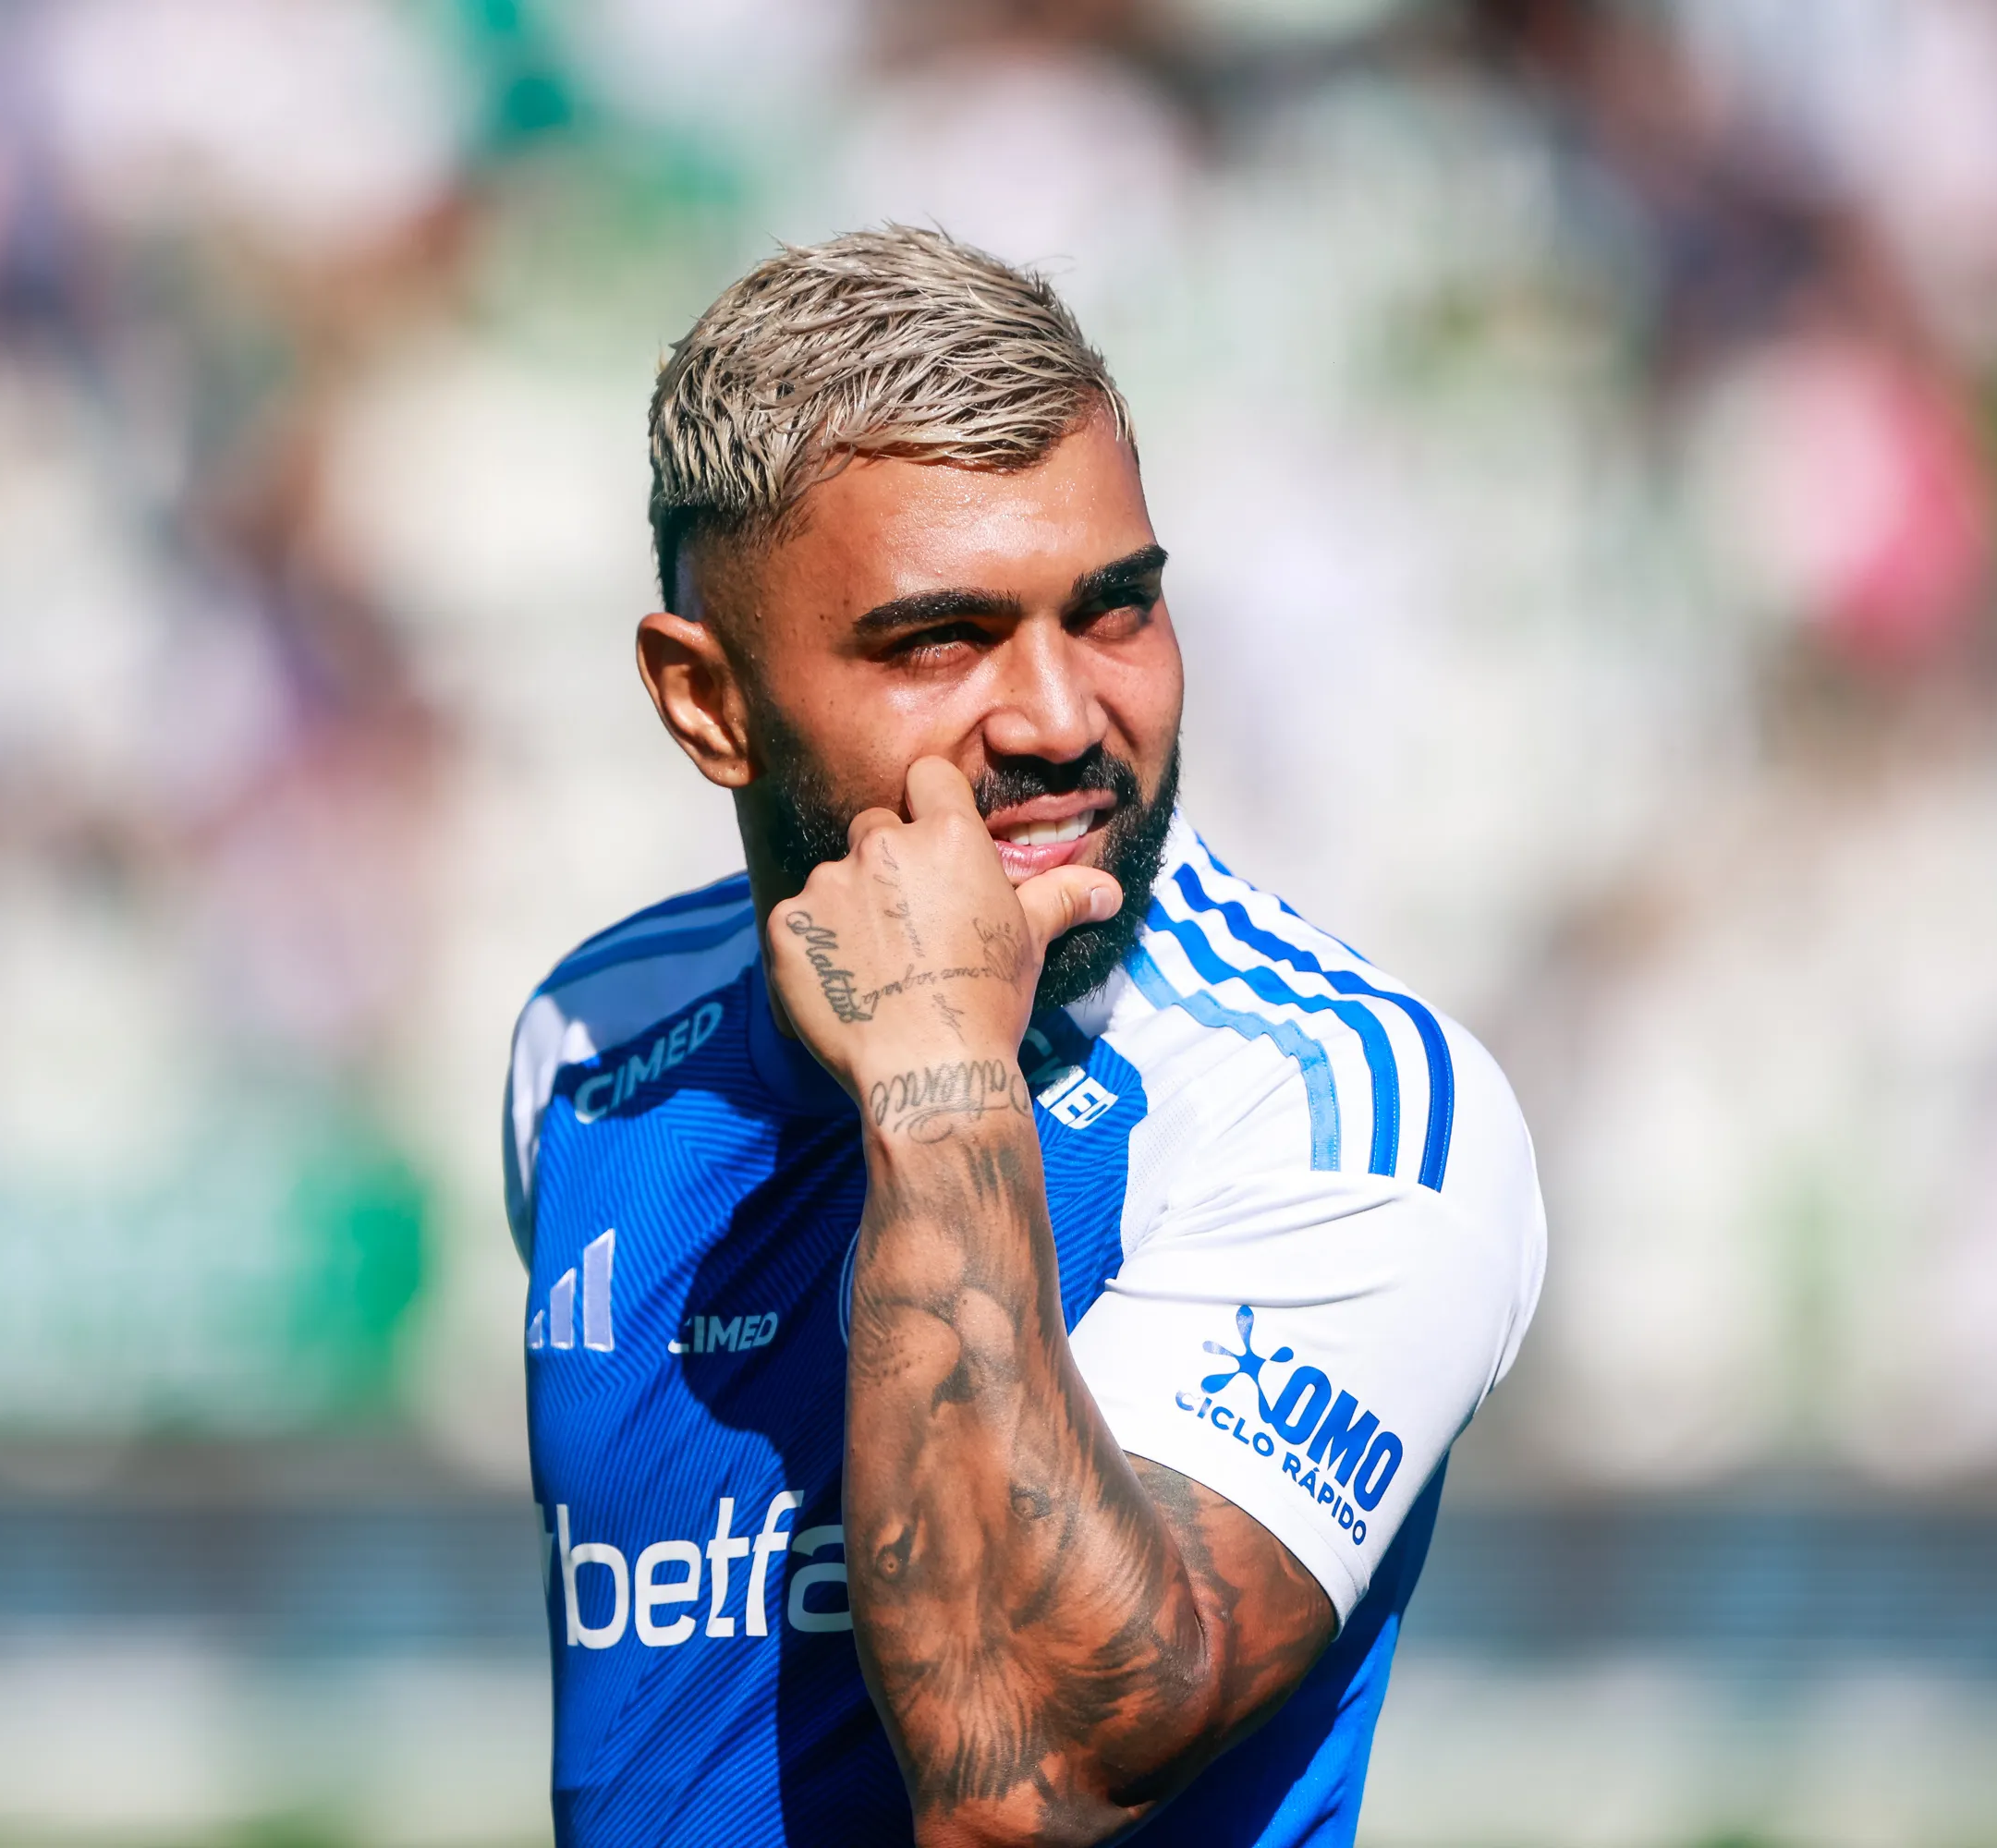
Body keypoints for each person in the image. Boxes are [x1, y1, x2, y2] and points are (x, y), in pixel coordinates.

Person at [504, 226, 1546, 1847]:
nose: (1062, 720)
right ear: (706, 701)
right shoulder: (591, 1045)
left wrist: (939, 1077)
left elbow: (1038, 1774)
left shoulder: (1337, 1109)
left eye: (1114, 611)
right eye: (939, 639)